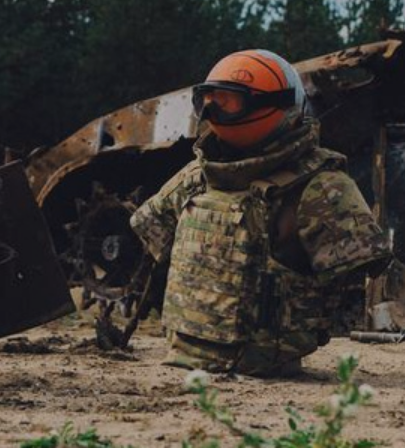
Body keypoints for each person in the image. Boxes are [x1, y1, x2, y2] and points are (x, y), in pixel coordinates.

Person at [130, 50, 391, 376]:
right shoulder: (197, 176)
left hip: (269, 369)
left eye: (229, 101)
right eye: (209, 100)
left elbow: (363, 265)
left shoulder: (320, 187)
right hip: (183, 363)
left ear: (273, 104)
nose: (213, 110)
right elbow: (148, 232)